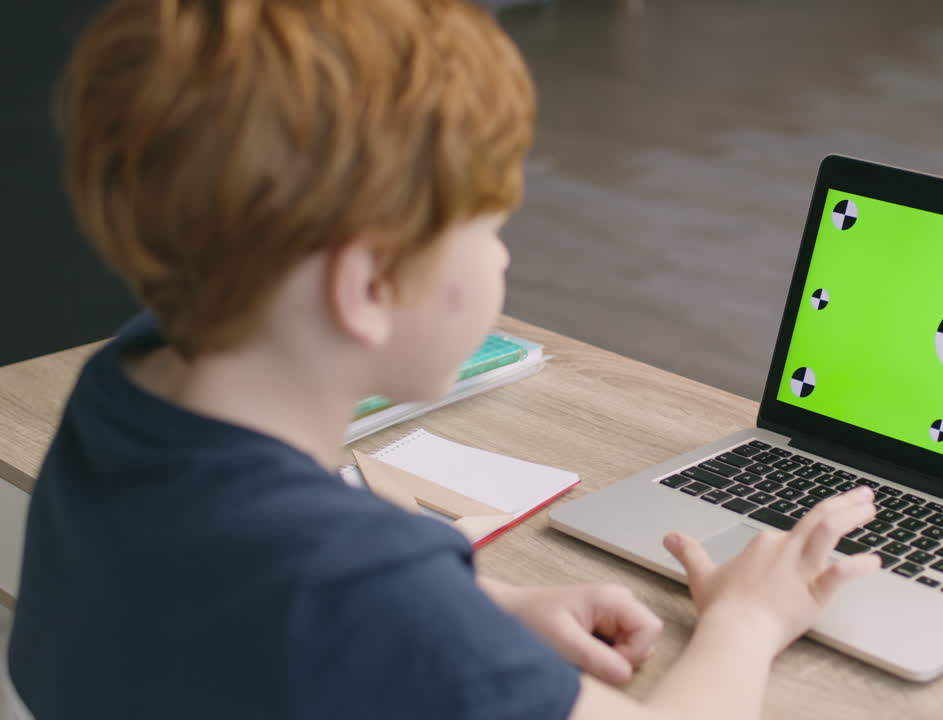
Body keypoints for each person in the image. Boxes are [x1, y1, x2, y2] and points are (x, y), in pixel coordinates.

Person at [7, 1, 880, 718]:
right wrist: (747, 621)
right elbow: (353, 603)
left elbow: (248, 606)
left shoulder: (121, 395)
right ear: (367, 286)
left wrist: (483, 616)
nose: (502, 260)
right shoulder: (366, 590)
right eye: (489, 231)